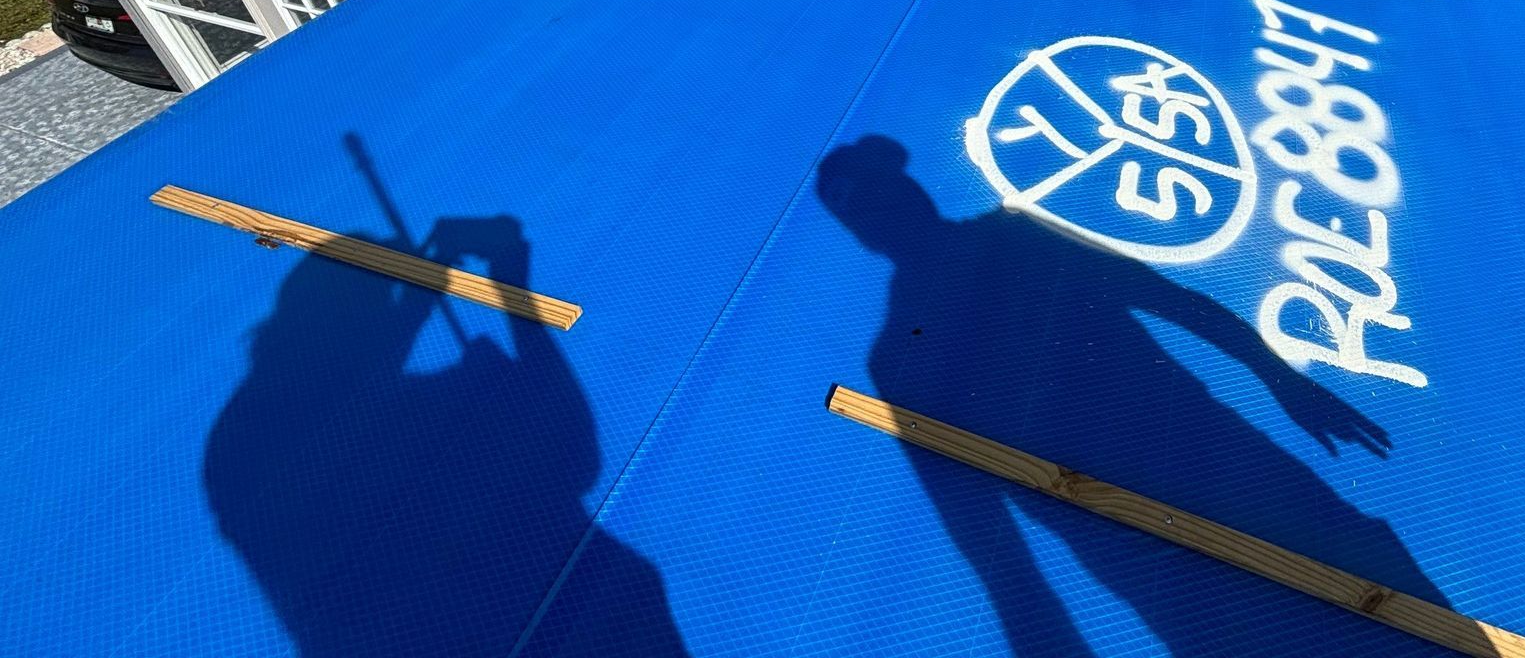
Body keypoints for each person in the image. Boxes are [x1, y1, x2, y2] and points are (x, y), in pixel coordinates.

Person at [817, 134, 1435, 657]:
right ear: (866, 230)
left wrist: (1281, 378)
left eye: (894, 184)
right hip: (1153, 529)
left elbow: (1166, 298)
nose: (898, 199)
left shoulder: (1002, 249)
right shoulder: (912, 342)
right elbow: (970, 511)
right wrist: (1043, 630)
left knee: (1387, 603)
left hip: (1207, 484)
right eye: (877, 198)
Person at [204, 191, 685, 656]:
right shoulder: (424, 416)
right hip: (575, 628)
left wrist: (420, 306)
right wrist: (510, 294)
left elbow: (356, 400)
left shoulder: (236, 445)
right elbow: (575, 458)